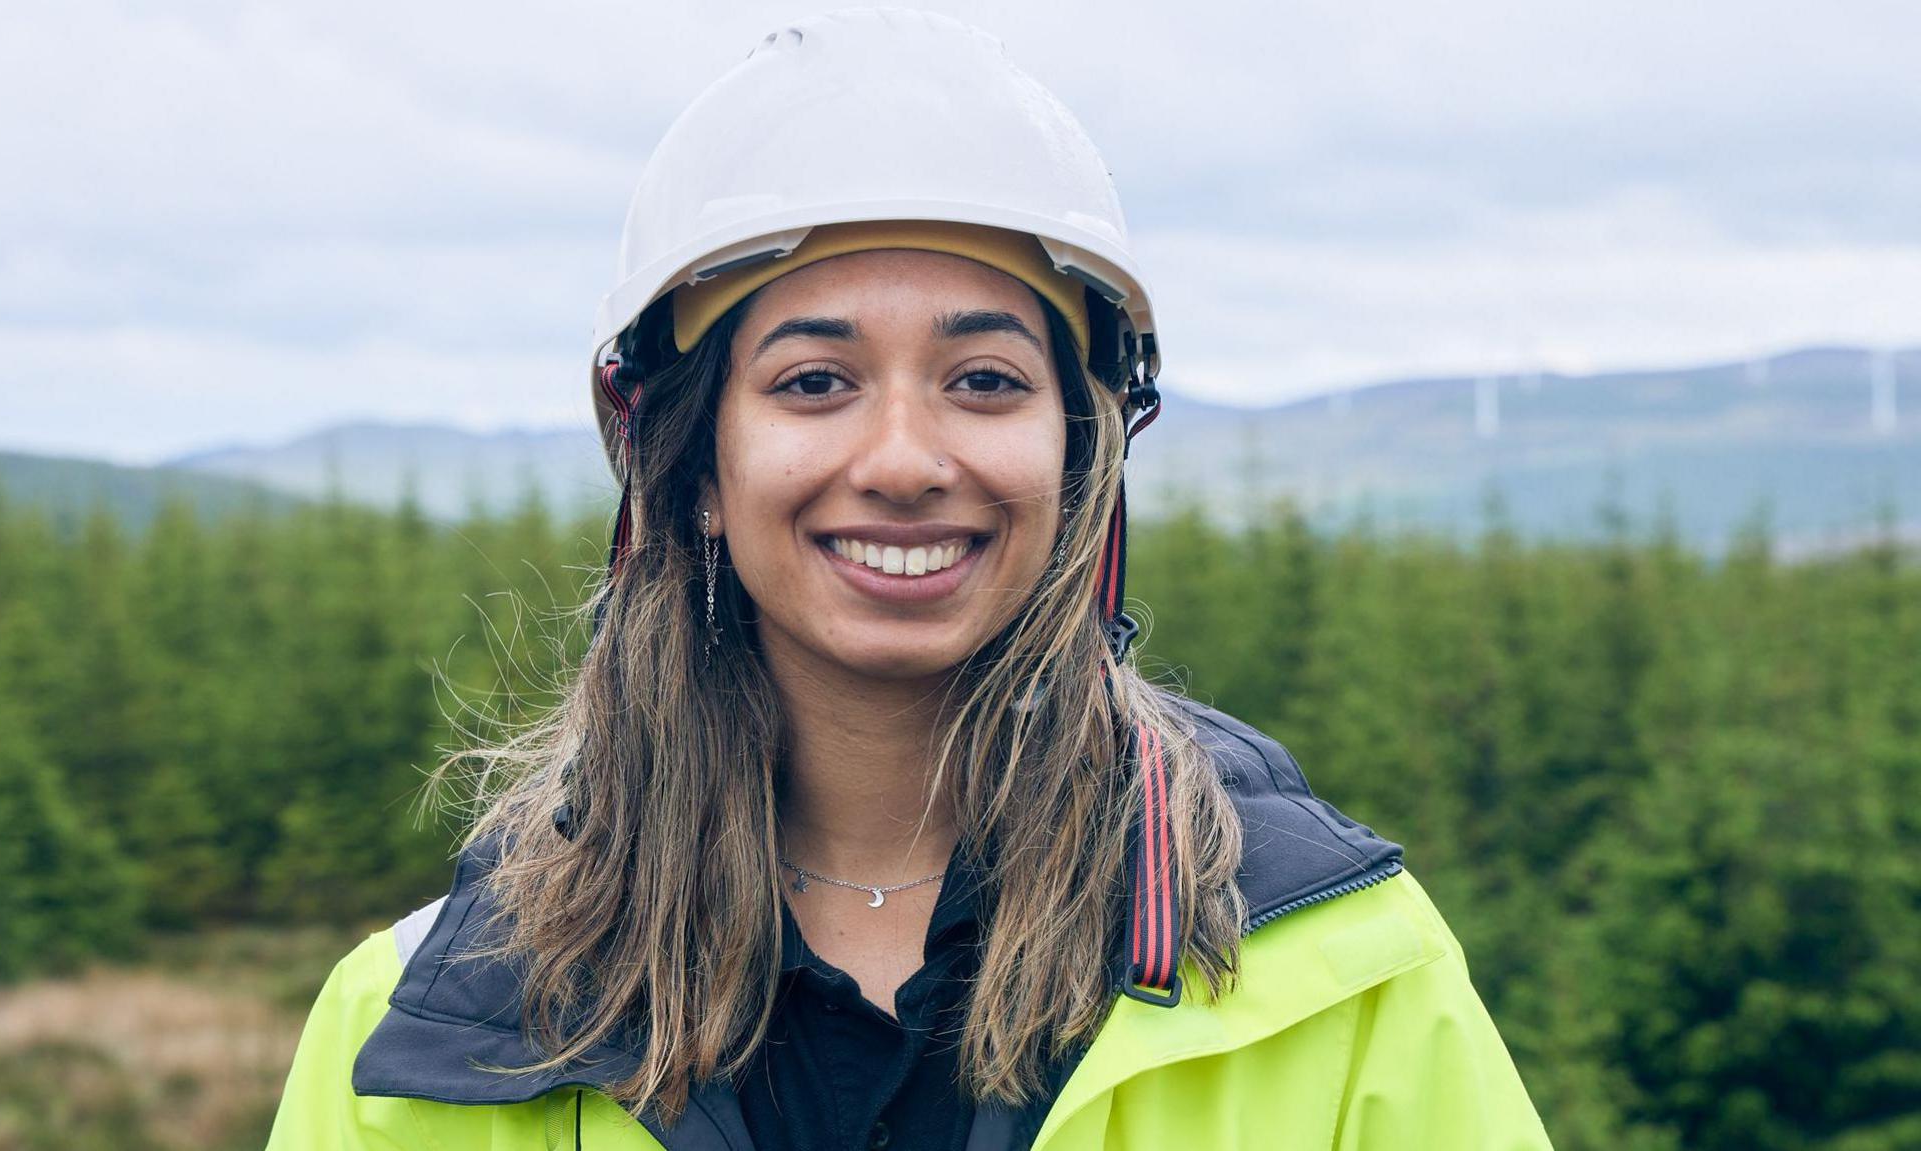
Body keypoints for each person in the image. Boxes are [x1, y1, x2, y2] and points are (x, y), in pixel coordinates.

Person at [267, 9, 1552, 1149]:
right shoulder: (420, 1045)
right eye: (813, 381)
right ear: (694, 465)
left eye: (984, 380)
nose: (901, 460)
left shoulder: (1341, 973)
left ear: (1080, 448)